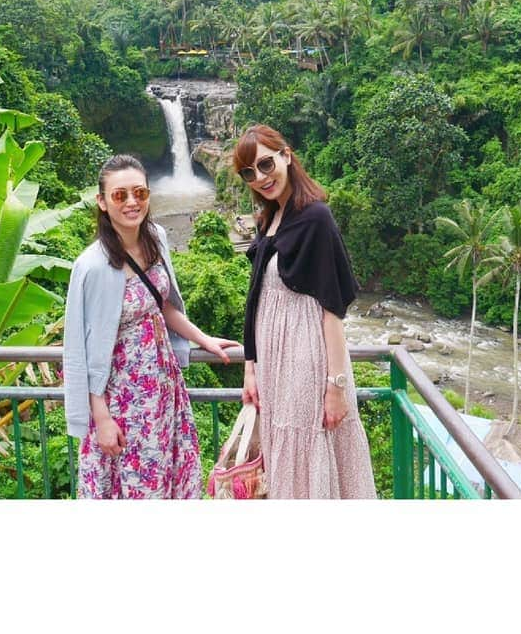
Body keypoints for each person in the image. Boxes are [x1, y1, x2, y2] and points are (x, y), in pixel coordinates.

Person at [63, 153, 239, 499]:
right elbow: (79, 351)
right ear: (101, 202)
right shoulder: (92, 267)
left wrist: (204, 339)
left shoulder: (155, 237)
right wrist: (101, 419)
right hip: (121, 400)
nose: (132, 202)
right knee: (131, 485)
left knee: (168, 478)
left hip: (163, 390)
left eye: (140, 193)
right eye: (119, 195)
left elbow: (164, 306)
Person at [233, 124, 376, 499]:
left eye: (266, 164)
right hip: (275, 368)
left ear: (286, 155)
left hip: (305, 362)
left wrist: (336, 387)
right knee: (285, 457)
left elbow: (332, 310)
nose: (260, 178)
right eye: (249, 173)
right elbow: (257, 299)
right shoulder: (270, 219)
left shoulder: (316, 218)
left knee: (307, 452)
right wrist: (251, 367)